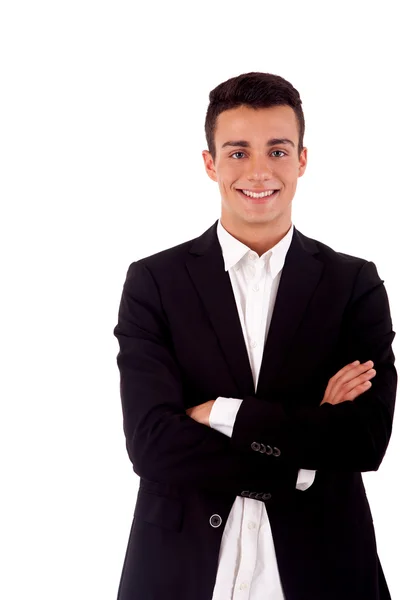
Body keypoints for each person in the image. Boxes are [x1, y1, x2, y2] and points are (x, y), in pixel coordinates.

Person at [113, 72, 397, 600]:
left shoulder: (352, 284)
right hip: (180, 567)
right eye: (238, 152)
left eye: (278, 150)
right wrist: (302, 461)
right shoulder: (155, 282)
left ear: (303, 160)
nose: (260, 171)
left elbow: (364, 439)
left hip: (325, 564)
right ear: (210, 163)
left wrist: (222, 413)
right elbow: (152, 444)